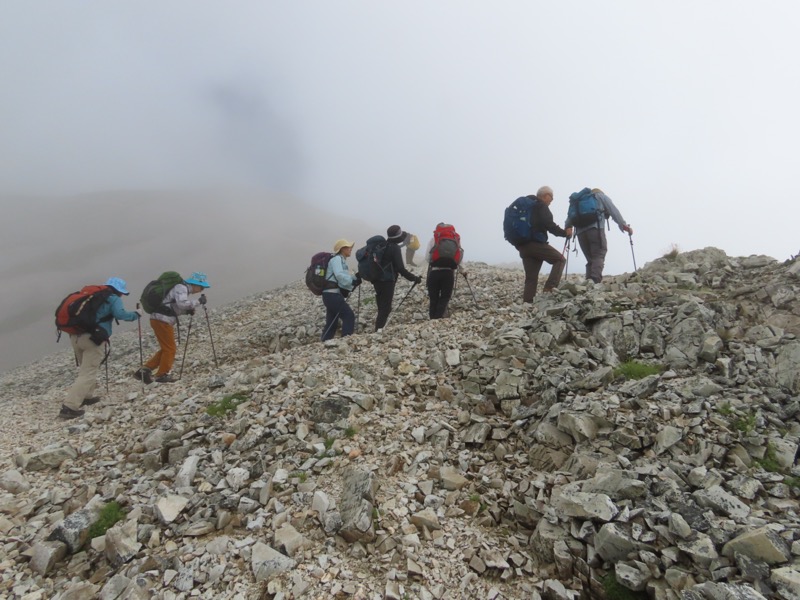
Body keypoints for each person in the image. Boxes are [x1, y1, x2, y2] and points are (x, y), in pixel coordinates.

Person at [60, 277, 141, 419]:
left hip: (75, 336)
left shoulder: (89, 296)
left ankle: (86, 396)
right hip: (93, 339)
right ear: (119, 291)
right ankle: (69, 407)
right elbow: (121, 314)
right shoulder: (113, 298)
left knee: (86, 368)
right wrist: (136, 315)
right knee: (88, 372)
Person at [136, 271, 210, 384]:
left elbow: (173, 306)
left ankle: (144, 370)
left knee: (166, 348)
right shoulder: (181, 287)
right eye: (201, 287)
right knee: (170, 349)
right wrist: (198, 302)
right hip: (162, 320)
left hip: (158, 319)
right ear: (196, 284)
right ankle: (161, 375)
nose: (201, 290)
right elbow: (182, 304)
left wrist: (187, 311)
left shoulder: (179, 287)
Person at [515, 186, 573, 302]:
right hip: (536, 244)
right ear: (546, 195)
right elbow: (549, 225)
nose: (551, 201)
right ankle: (550, 289)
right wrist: (564, 233)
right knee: (560, 260)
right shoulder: (541, 206)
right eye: (551, 198)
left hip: (523, 246)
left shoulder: (526, 207)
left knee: (531, 278)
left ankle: (528, 304)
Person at [565, 188, 633, 283]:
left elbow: (569, 219)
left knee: (590, 259)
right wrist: (624, 225)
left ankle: (588, 283)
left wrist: (567, 230)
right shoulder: (600, 196)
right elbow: (614, 211)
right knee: (599, 254)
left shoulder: (578, 201)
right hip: (595, 229)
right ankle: (595, 281)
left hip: (580, 233)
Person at [372, 225, 422, 330]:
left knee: (382, 306)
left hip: (376, 279)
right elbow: (400, 268)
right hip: (387, 280)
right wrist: (414, 278)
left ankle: (378, 328)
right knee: (385, 308)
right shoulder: (395, 248)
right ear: (397, 237)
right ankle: (378, 331)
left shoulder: (383, 245)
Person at [321, 239, 360, 341]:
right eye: (348, 247)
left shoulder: (340, 260)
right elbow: (339, 275)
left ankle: (325, 342)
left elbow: (341, 276)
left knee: (332, 321)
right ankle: (346, 341)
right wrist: (352, 282)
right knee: (348, 316)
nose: (350, 249)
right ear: (342, 249)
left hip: (329, 295)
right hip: (333, 295)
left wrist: (355, 278)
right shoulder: (337, 259)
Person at [425, 224, 466, 319]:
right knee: (445, 297)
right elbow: (459, 256)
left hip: (434, 272)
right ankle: (439, 318)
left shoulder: (434, 239)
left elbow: (427, 258)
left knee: (433, 297)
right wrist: (463, 270)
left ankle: (432, 319)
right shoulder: (455, 239)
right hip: (448, 272)